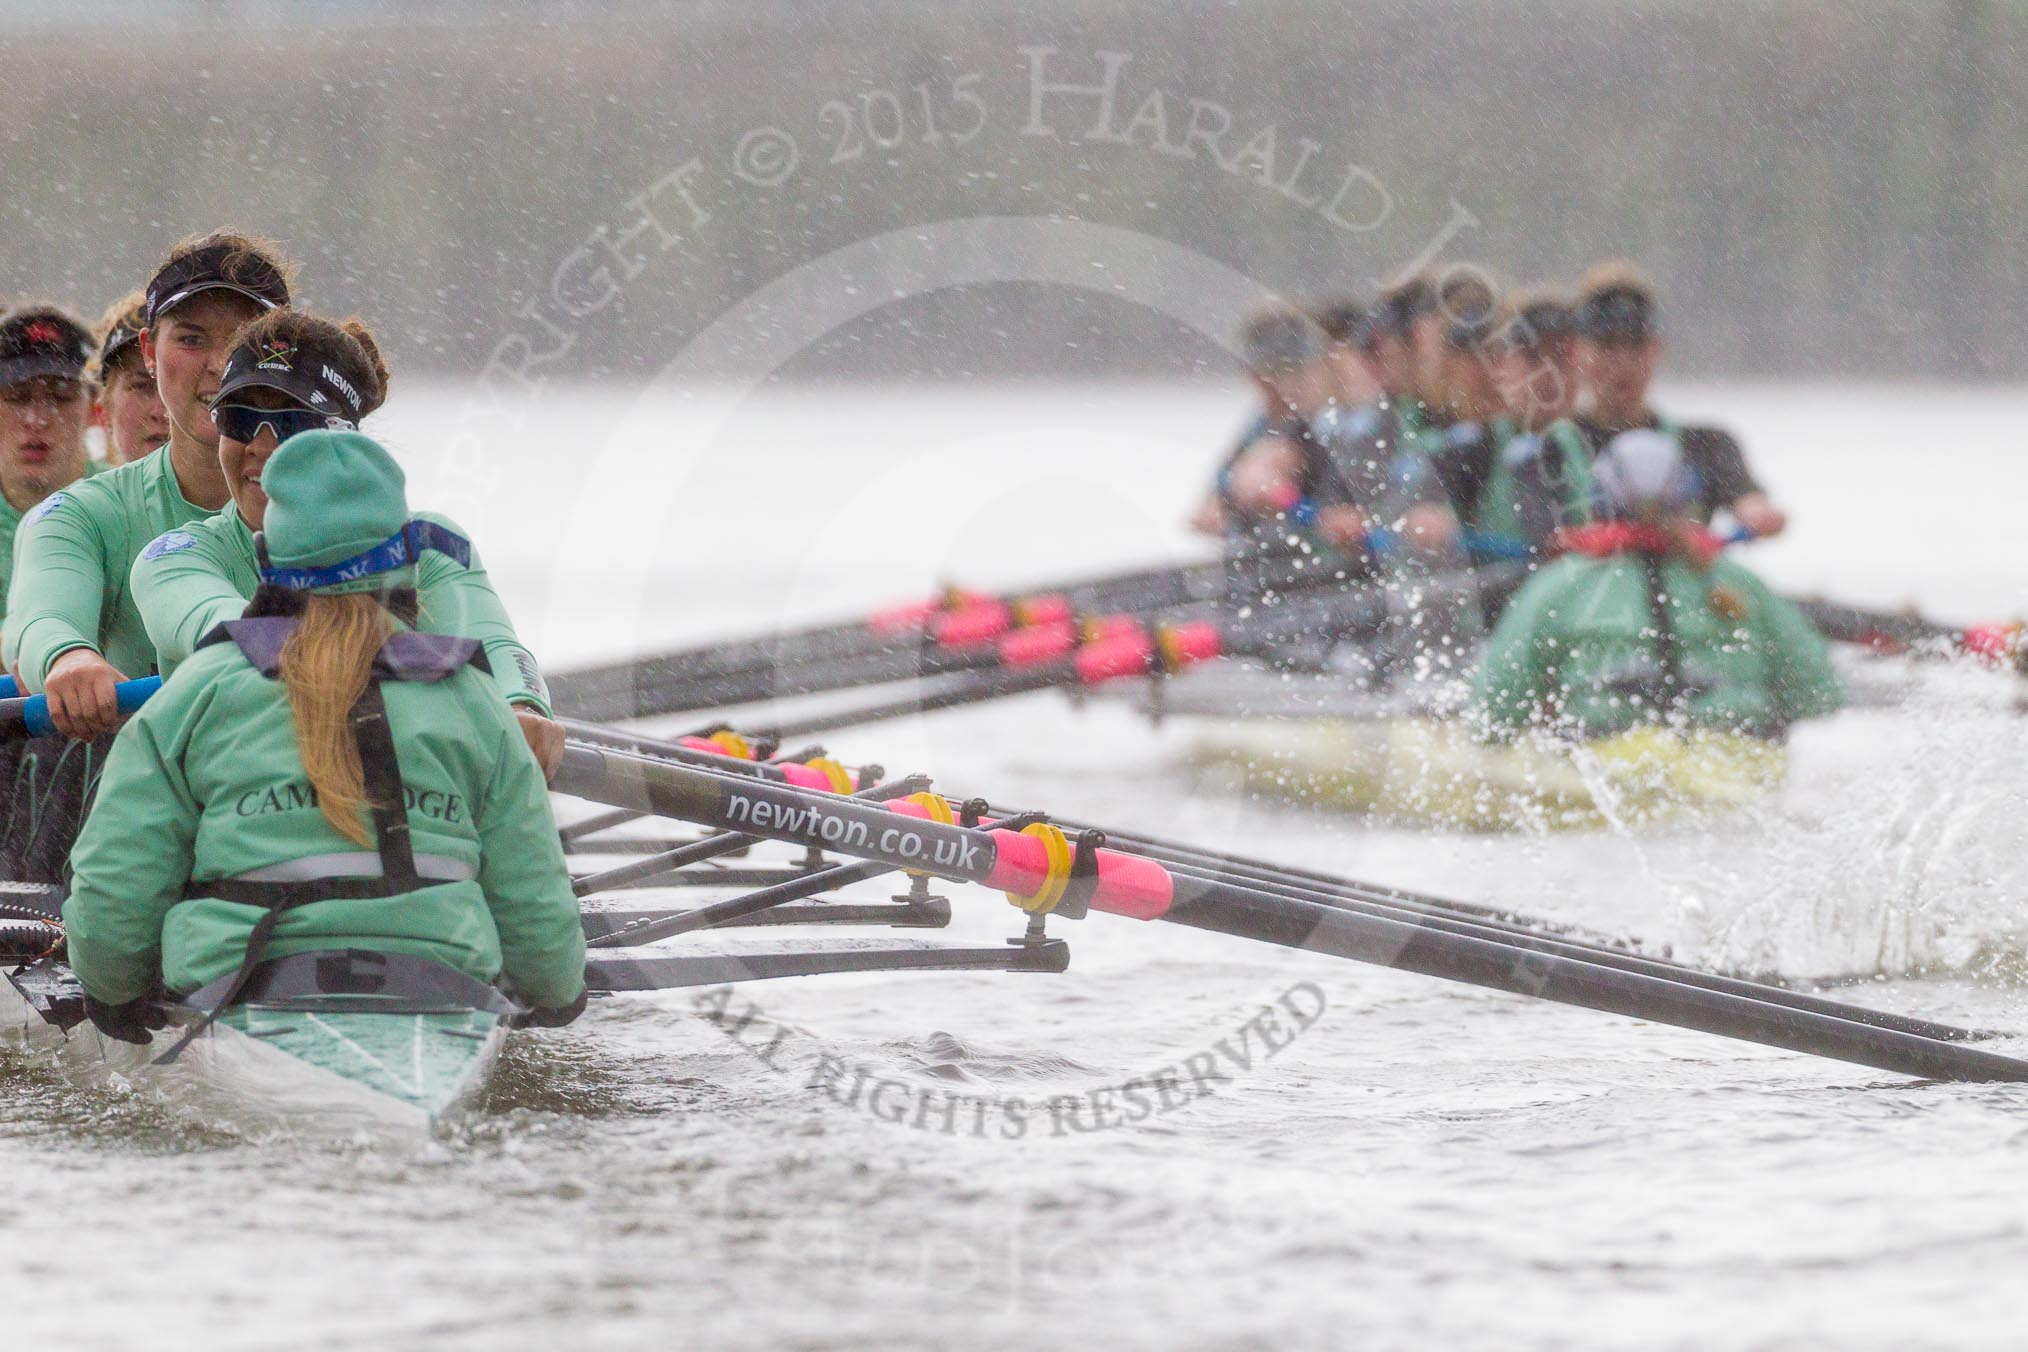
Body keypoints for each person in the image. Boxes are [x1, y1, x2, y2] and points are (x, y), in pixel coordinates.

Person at [61, 428, 586, 1044]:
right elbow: (533, 896)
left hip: (238, 993)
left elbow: (115, 888)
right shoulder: (473, 698)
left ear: (270, 560)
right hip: (441, 995)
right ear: (407, 564)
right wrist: (556, 996)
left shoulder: (198, 690)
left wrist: (115, 995)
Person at [131, 307, 564, 776]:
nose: (261, 445)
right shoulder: (174, 559)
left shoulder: (431, 545)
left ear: (347, 441)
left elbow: (496, 646)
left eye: (293, 424)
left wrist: (523, 708)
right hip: (236, 812)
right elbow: (232, 631)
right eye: (239, 418)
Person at [5, 229, 296, 740]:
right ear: (149, 351)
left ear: (286, 354)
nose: (217, 363)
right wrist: (68, 657)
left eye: (242, 340)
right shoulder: (79, 515)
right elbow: (41, 616)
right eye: (191, 338)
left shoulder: (345, 512)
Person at [1471, 429, 1841, 743]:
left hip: (1604, 757)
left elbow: (1492, 710)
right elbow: (1819, 694)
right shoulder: (1739, 584)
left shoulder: (1556, 586)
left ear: (1600, 499)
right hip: (1729, 756)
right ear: (1690, 499)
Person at [1569, 263, 1787, 537]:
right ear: (1578, 353)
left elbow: (1749, 502)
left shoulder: (1706, 446)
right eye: (1607, 346)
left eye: (1636, 345)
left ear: (1657, 350)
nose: (1623, 363)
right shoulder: (1548, 448)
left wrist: (1759, 514)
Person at [1193, 305, 1349, 548]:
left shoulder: (1334, 423)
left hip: (1324, 564)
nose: (1280, 386)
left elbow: (1343, 520)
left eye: (1293, 372)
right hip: (1266, 560)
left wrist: (1282, 497)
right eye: (1269, 373)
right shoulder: (1259, 425)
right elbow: (1204, 514)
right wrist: (1225, 503)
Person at [0, 305, 98, 629]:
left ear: (96, 409)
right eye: (17, 396)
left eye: (61, 397)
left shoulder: (133, 503)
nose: (37, 419)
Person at [86, 291, 168, 467]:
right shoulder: (83, 494)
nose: (162, 412)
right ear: (104, 413)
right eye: (141, 386)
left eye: (175, 386)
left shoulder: (240, 494)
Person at [1311, 297, 1382, 407]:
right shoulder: (1323, 417)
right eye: (1327, 350)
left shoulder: (1387, 412)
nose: (1332, 362)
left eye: (1343, 350)